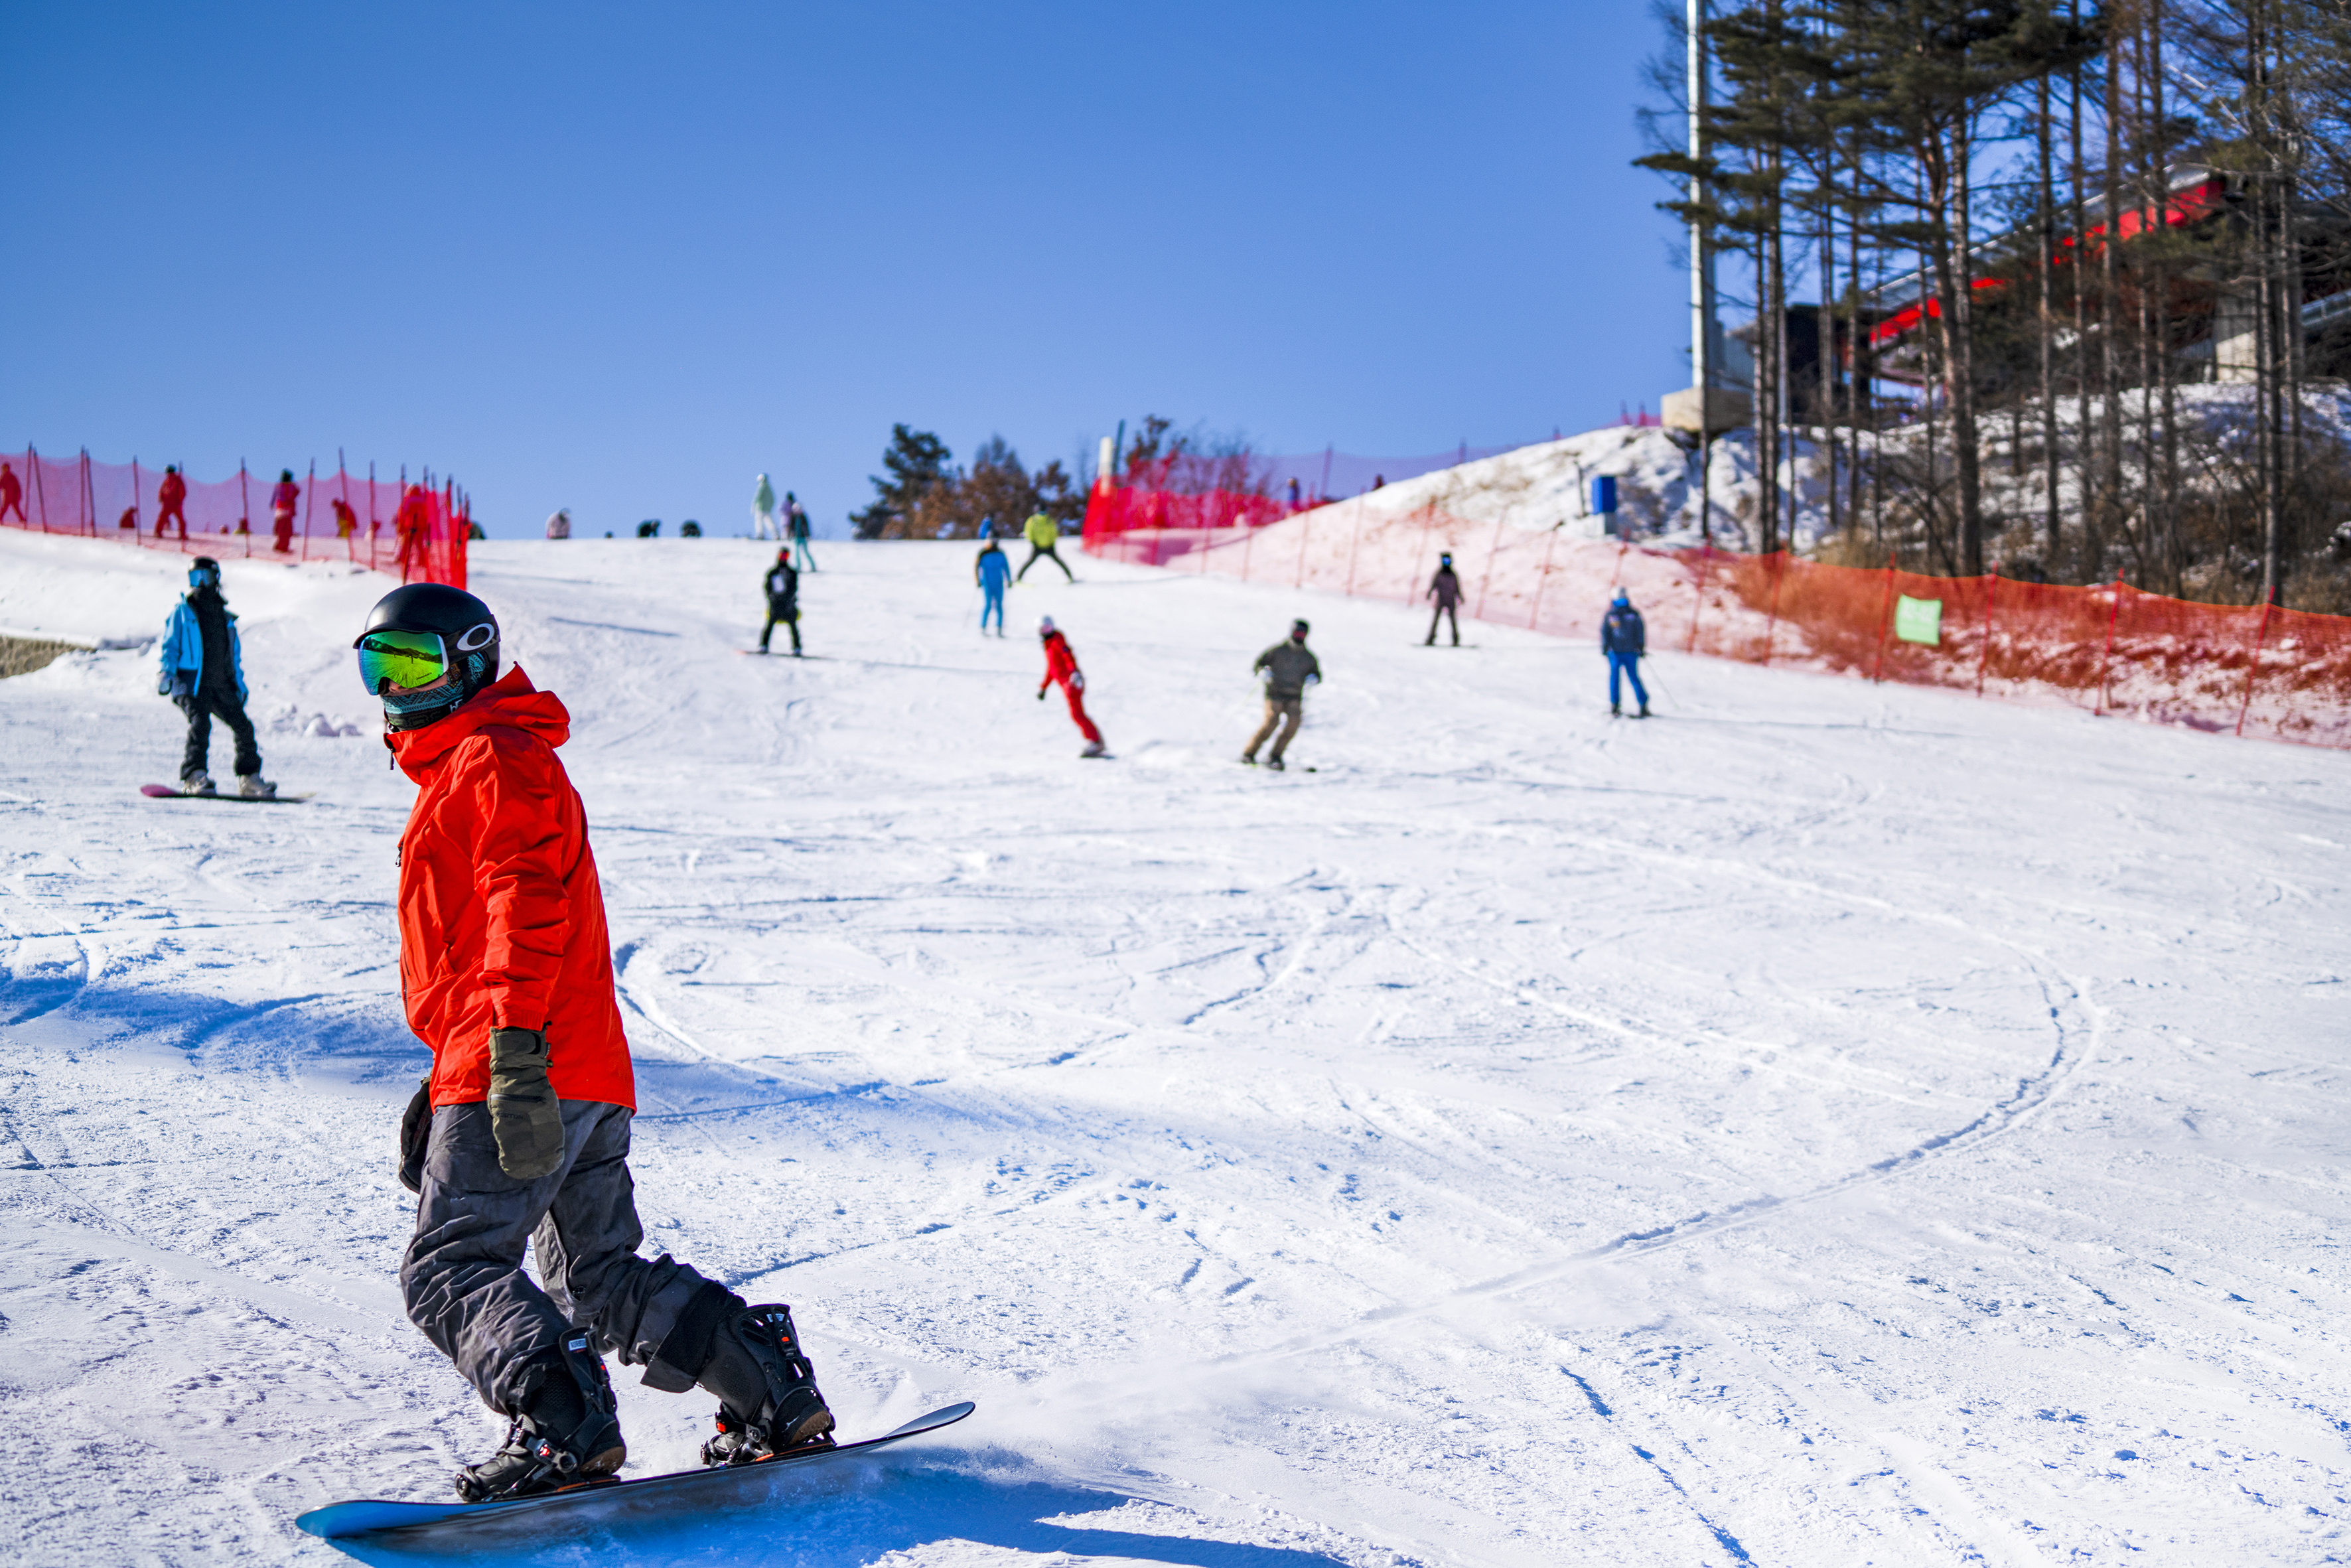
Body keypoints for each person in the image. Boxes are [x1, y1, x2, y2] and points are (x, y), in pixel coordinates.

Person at [354, 583, 836, 1502]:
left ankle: (563, 1424)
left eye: (416, 662)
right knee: (596, 1276)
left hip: (523, 1056)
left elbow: (524, 902)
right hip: (571, 1062)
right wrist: (453, 1065)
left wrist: (506, 1055)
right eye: (380, 665)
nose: (396, 687)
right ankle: (766, 1384)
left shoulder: (491, 755)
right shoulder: (482, 760)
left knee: (450, 1264)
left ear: (472, 660)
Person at [157, 557, 273, 798]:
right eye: (195, 578)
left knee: (243, 727)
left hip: (220, 685)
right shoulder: (183, 612)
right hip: (191, 683)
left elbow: (233, 658)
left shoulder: (226, 618)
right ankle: (194, 775)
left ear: (216, 579)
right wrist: (166, 672)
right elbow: (170, 645)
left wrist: (239, 686)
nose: (200, 584)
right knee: (200, 724)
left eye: (205, 578)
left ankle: (249, 779)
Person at [1242, 619, 1320, 771]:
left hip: (1294, 696)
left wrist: (1314, 678)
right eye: (1297, 633)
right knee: (1272, 721)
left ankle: (1275, 756)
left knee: (1294, 724)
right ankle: (1249, 753)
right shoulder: (1278, 651)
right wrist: (1262, 671)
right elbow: (1259, 663)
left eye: (1302, 634)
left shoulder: (1308, 657)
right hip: (1275, 693)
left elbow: (1316, 673)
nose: (1299, 636)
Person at [1034, 615, 1105, 756]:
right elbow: (1052, 670)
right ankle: (1095, 741)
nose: (1046, 631)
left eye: (1048, 628)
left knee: (1077, 714)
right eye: (1043, 629)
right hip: (1067, 683)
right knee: (1077, 714)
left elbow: (1068, 656)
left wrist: (1074, 672)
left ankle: (1095, 742)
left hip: (1072, 682)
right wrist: (1043, 688)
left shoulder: (1057, 641)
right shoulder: (1049, 645)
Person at [1601, 590, 1649, 717]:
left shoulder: (1633, 614)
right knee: (1615, 679)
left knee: (1634, 678)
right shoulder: (1611, 615)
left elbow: (1640, 630)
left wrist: (1640, 646)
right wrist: (1605, 646)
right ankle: (1615, 705)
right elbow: (1605, 631)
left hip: (1631, 652)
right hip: (1615, 653)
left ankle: (1643, 705)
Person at [760, 548, 801, 655]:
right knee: (769, 624)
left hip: (788, 605)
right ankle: (764, 646)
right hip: (776, 605)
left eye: (785, 556)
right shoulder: (773, 572)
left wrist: (789, 599)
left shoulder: (792, 572)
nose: (783, 558)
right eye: (782, 556)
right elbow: (767, 587)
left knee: (793, 626)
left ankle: (797, 648)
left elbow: (794, 587)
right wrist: (772, 598)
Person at [1017, 510, 1072, 583]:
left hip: (1038, 546)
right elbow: (1054, 532)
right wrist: (1052, 542)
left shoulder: (1033, 520)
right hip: (1048, 546)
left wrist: (1033, 541)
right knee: (1059, 561)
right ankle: (1070, 576)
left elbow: (1029, 532)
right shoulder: (1049, 520)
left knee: (1029, 562)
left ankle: (1019, 578)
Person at [1425, 552, 1462, 646]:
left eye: (1448, 560)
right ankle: (1431, 638)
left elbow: (1457, 587)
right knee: (1436, 620)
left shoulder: (1453, 575)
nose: (1446, 562)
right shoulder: (1439, 574)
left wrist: (1460, 597)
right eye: (1445, 560)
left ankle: (1455, 639)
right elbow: (1434, 585)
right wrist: (1430, 593)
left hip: (1451, 600)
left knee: (1453, 621)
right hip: (1441, 600)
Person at [975, 535, 1011, 636]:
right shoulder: (983, 553)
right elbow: (976, 567)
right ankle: (983, 627)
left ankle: (998, 628)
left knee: (999, 606)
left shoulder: (1001, 553)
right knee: (988, 605)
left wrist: (1008, 580)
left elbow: (1006, 567)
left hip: (999, 583)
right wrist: (977, 580)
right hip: (987, 583)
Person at [271, 469, 301, 554]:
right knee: (284, 530)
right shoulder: (283, 486)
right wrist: (293, 494)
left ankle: (282, 546)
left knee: (285, 530)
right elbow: (286, 497)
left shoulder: (282, 486)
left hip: (283, 511)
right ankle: (282, 547)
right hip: (284, 510)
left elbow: (296, 493)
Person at [157, 465, 189, 539]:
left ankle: (158, 533)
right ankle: (182, 535)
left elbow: (162, 491)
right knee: (181, 521)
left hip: (167, 505)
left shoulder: (167, 481)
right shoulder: (178, 480)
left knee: (162, 519)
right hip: (176, 505)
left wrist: (161, 499)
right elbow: (183, 492)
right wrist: (180, 501)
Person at [786, 494, 816, 571]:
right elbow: (790, 527)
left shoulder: (803, 517)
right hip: (796, 538)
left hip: (803, 538)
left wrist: (808, 535)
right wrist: (789, 535)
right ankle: (798, 567)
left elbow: (806, 527)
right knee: (797, 553)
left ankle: (813, 566)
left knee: (806, 552)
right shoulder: (793, 518)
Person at [752, 474, 777, 541]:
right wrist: (770, 507)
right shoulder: (769, 488)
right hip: (767, 509)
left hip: (760, 508)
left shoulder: (762, 486)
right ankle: (775, 534)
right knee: (769, 521)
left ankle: (760, 534)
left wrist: (754, 506)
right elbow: (773, 499)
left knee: (759, 521)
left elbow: (757, 496)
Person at [0, 460, 23, 524]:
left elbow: (17, 487)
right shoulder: (3, 477)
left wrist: (19, 495)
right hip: (7, 496)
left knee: (15, 508)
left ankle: (22, 520)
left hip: (13, 496)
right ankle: (22, 520)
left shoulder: (12, 477)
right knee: (4, 509)